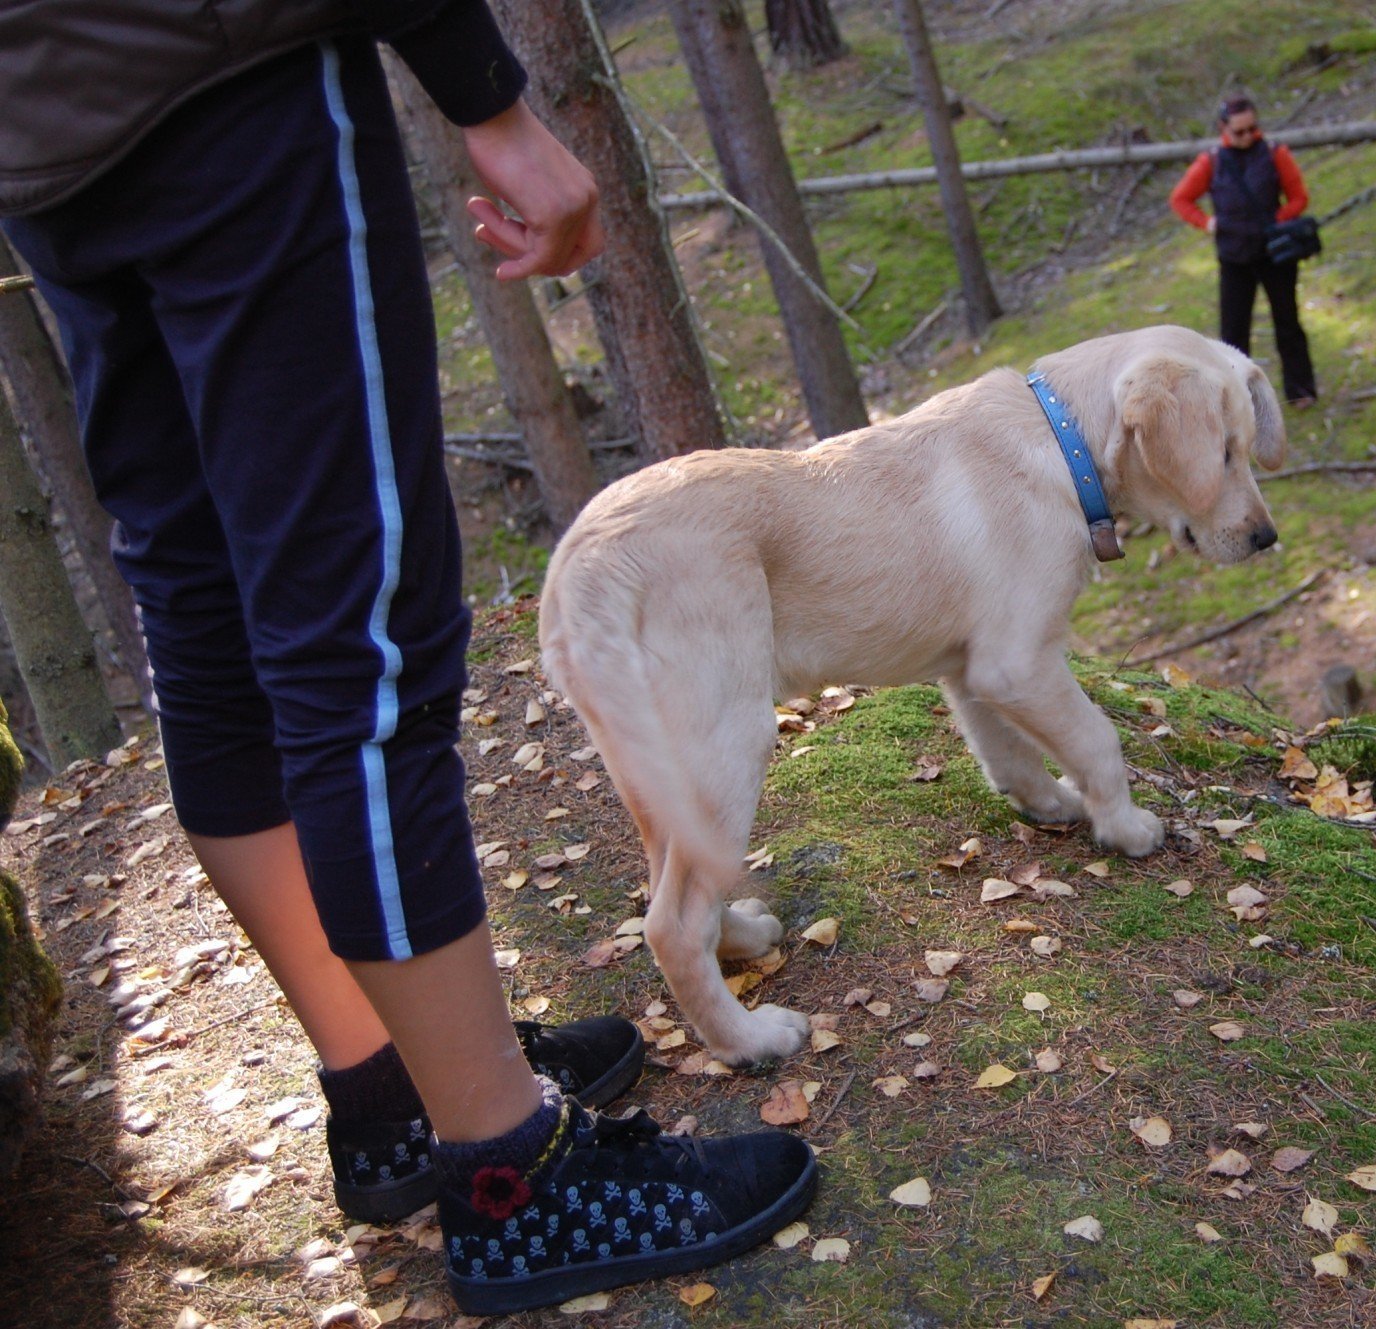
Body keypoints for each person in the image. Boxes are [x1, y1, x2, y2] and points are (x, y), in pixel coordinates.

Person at [0, 0, 815, 1314]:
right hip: (231, 79)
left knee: (206, 623)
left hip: (43, 125)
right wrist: (492, 101)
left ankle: (387, 1088)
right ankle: (507, 1170)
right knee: (354, 649)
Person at [1170, 95, 1319, 406]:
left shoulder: (1275, 153)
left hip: (1274, 255)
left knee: (1287, 322)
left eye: (1253, 128)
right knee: (1234, 331)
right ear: (1224, 128)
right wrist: (1208, 223)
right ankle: (1236, 399)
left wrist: (1274, 223)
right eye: (1240, 131)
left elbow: (1298, 198)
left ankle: (1301, 390)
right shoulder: (1211, 161)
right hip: (1234, 257)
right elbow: (1181, 199)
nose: (1249, 136)